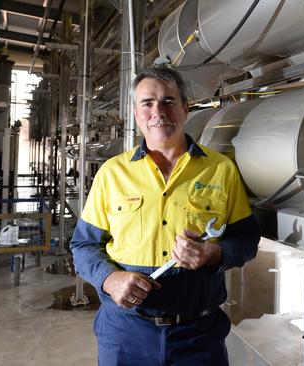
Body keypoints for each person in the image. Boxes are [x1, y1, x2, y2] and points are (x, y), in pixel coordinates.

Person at [70, 66, 260, 365]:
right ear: (136, 114)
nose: (158, 111)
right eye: (147, 103)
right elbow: (83, 246)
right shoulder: (112, 173)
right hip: (126, 333)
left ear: (185, 109)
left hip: (198, 336)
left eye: (168, 101)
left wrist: (212, 253)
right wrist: (110, 279)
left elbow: (246, 241)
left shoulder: (220, 169)